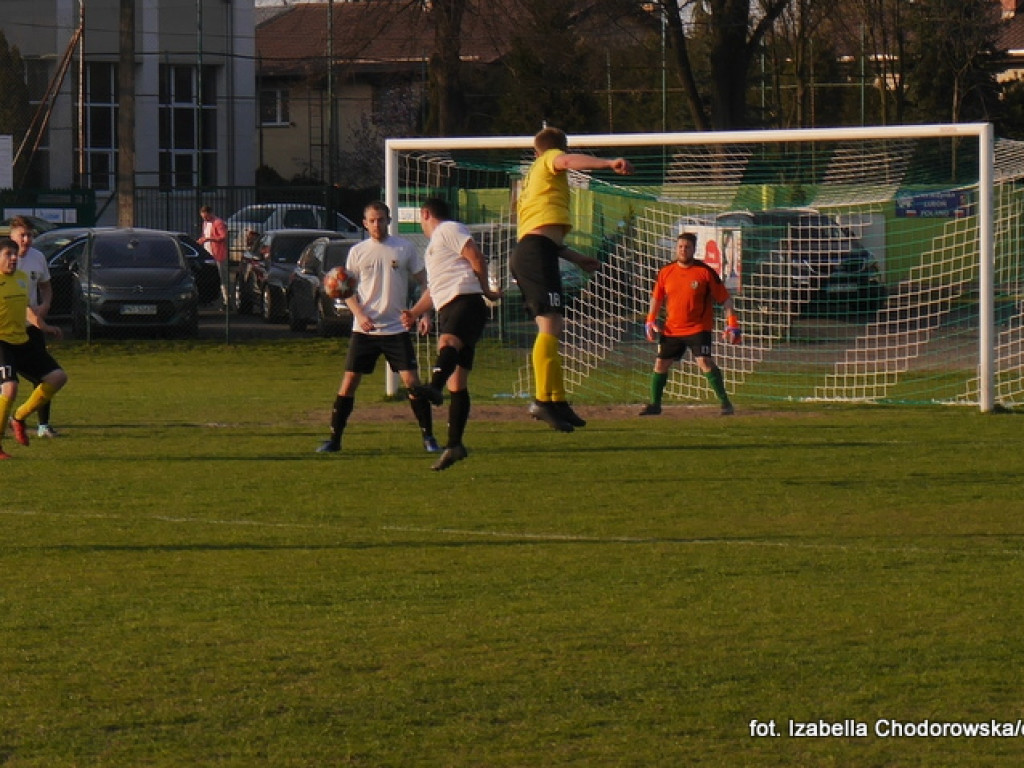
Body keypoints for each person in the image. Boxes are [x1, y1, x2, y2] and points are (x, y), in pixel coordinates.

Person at [511, 125, 634, 432]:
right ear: (551, 151)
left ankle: (557, 400)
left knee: (553, 327)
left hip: (539, 251)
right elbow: (566, 162)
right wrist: (608, 163)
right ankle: (542, 400)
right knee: (550, 327)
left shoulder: (534, 183)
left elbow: (543, 235)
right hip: (535, 253)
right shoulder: (549, 161)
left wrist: (577, 258)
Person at [316, 201, 439, 455]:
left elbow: (426, 282)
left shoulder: (404, 248)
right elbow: (345, 288)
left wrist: (424, 313)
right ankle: (334, 439)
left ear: (389, 220)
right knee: (349, 382)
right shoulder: (358, 252)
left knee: (412, 383)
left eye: (381, 219)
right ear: (364, 223)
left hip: (396, 328)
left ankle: (429, 438)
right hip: (365, 330)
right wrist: (359, 314)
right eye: (372, 220)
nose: (376, 224)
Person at [402, 198, 502, 471]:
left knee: (448, 343)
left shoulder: (448, 229)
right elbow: (434, 292)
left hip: (465, 301)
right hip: (449, 305)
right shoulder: (435, 247)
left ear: (425, 214)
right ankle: (454, 445)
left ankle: (434, 387)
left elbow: (475, 256)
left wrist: (486, 289)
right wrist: (414, 312)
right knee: (457, 383)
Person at [640, 231, 741, 417]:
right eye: (680, 247)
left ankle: (725, 403)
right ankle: (655, 405)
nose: (683, 250)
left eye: (687, 247)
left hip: (698, 328)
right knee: (660, 364)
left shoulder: (704, 272)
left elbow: (725, 299)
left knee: (704, 362)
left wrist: (732, 323)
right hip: (672, 328)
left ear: (694, 249)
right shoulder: (665, 272)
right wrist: (650, 320)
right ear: (676, 249)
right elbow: (657, 298)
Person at [0, 237, 68, 459]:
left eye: (14, 254)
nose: (13, 259)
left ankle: (18, 418)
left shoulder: (21, 279)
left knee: (57, 377)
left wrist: (44, 326)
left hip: (22, 340)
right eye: (7, 255)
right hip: (1, 343)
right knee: (10, 388)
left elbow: (27, 308)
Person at [8, 216, 60, 437]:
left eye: (30, 235)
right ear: (11, 236)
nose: (27, 240)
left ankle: (43, 425)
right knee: (8, 384)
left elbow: (45, 286)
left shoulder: (38, 258)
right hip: (7, 330)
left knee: (44, 377)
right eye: (22, 235)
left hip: (31, 326)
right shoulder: (4, 259)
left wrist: (45, 304)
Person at [198, 205, 231, 311]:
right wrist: (202, 240)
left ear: (210, 213)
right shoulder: (205, 223)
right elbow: (205, 235)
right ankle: (209, 300)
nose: (205, 219)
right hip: (208, 254)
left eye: (206, 217)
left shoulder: (218, 222)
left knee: (222, 278)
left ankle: (227, 302)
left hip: (218, 255)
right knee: (209, 278)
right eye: (203, 217)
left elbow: (223, 236)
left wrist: (208, 239)